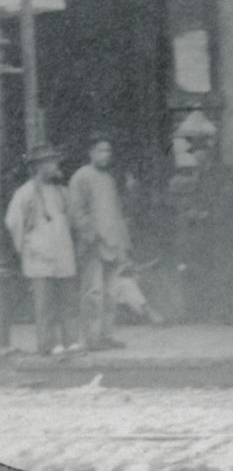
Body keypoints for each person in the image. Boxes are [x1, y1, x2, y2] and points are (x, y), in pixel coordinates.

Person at [5, 144, 83, 357]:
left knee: (68, 301)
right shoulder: (25, 192)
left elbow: (71, 220)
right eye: (51, 162)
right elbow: (13, 221)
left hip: (62, 254)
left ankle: (71, 341)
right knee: (45, 305)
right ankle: (49, 344)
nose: (56, 166)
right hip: (39, 257)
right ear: (39, 166)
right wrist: (27, 246)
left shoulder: (62, 191)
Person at [167, 114, 233, 323]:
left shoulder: (223, 172)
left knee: (224, 270)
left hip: (222, 230)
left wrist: (206, 214)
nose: (196, 157)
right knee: (206, 269)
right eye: (193, 153)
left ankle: (228, 312)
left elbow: (230, 198)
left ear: (207, 152)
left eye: (198, 152)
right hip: (206, 231)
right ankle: (209, 311)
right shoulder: (198, 175)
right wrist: (194, 211)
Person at [68, 132, 132, 351]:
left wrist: (123, 243)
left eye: (108, 150)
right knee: (93, 293)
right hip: (93, 244)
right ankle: (91, 338)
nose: (105, 154)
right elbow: (77, 212)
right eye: (100, 150)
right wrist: (91, 235)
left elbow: (116, 213)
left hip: (113, 244)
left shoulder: (109, 179)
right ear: (91, 152)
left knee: (111, 293)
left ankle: (106, 335)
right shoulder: (81, 177)